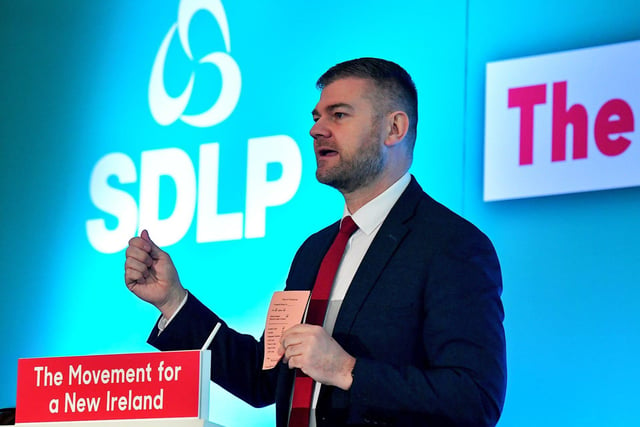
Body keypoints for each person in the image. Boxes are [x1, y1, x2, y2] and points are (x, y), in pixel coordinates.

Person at [125, 58, 506, 427]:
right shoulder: (315, 251)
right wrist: (173, 301)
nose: (316, 130)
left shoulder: (451, 245)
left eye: (338, 115)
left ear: (394, 129)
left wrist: (347, 371)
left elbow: (474, 398)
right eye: (316, 117)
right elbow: (266, 379)